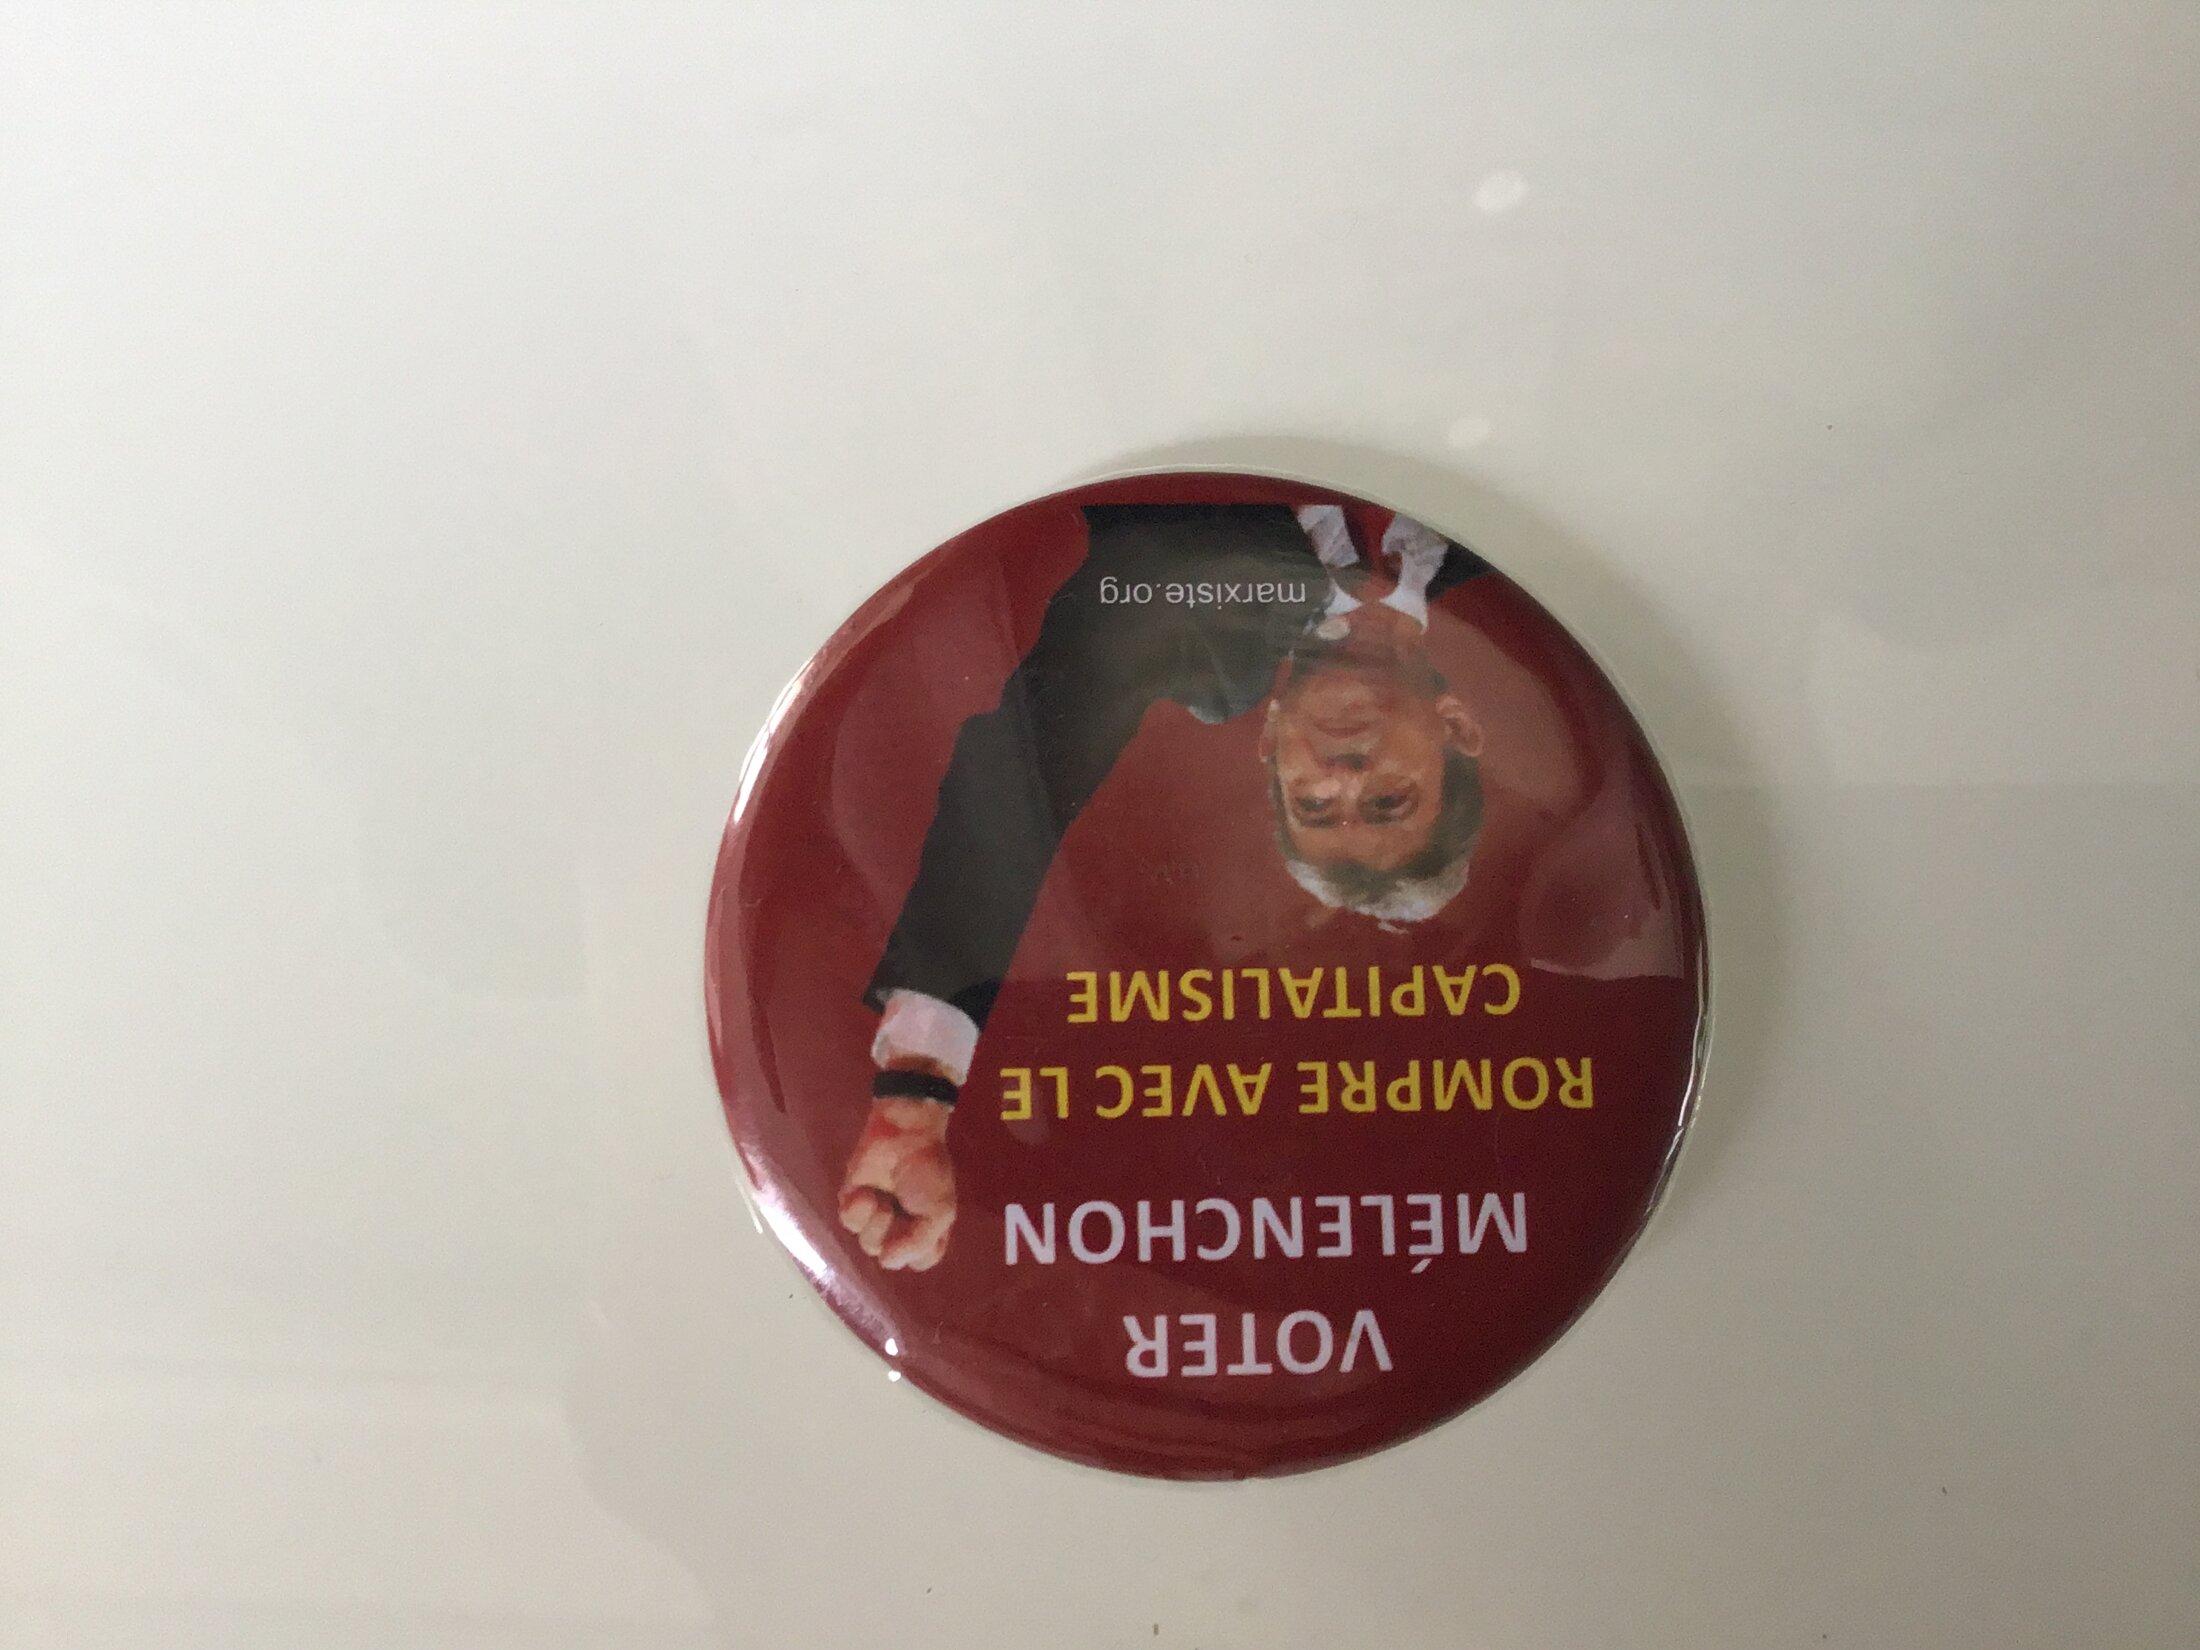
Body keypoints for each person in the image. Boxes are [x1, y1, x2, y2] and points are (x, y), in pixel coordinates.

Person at [839, 501, 1489, 1271]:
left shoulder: (1203, 652)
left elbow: (1034, 766)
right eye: (1388, 800)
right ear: (1458, 729)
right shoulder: (1505, 557)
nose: (1344, 777)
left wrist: (917, 1086)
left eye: (1313, 805)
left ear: (1272, 741)